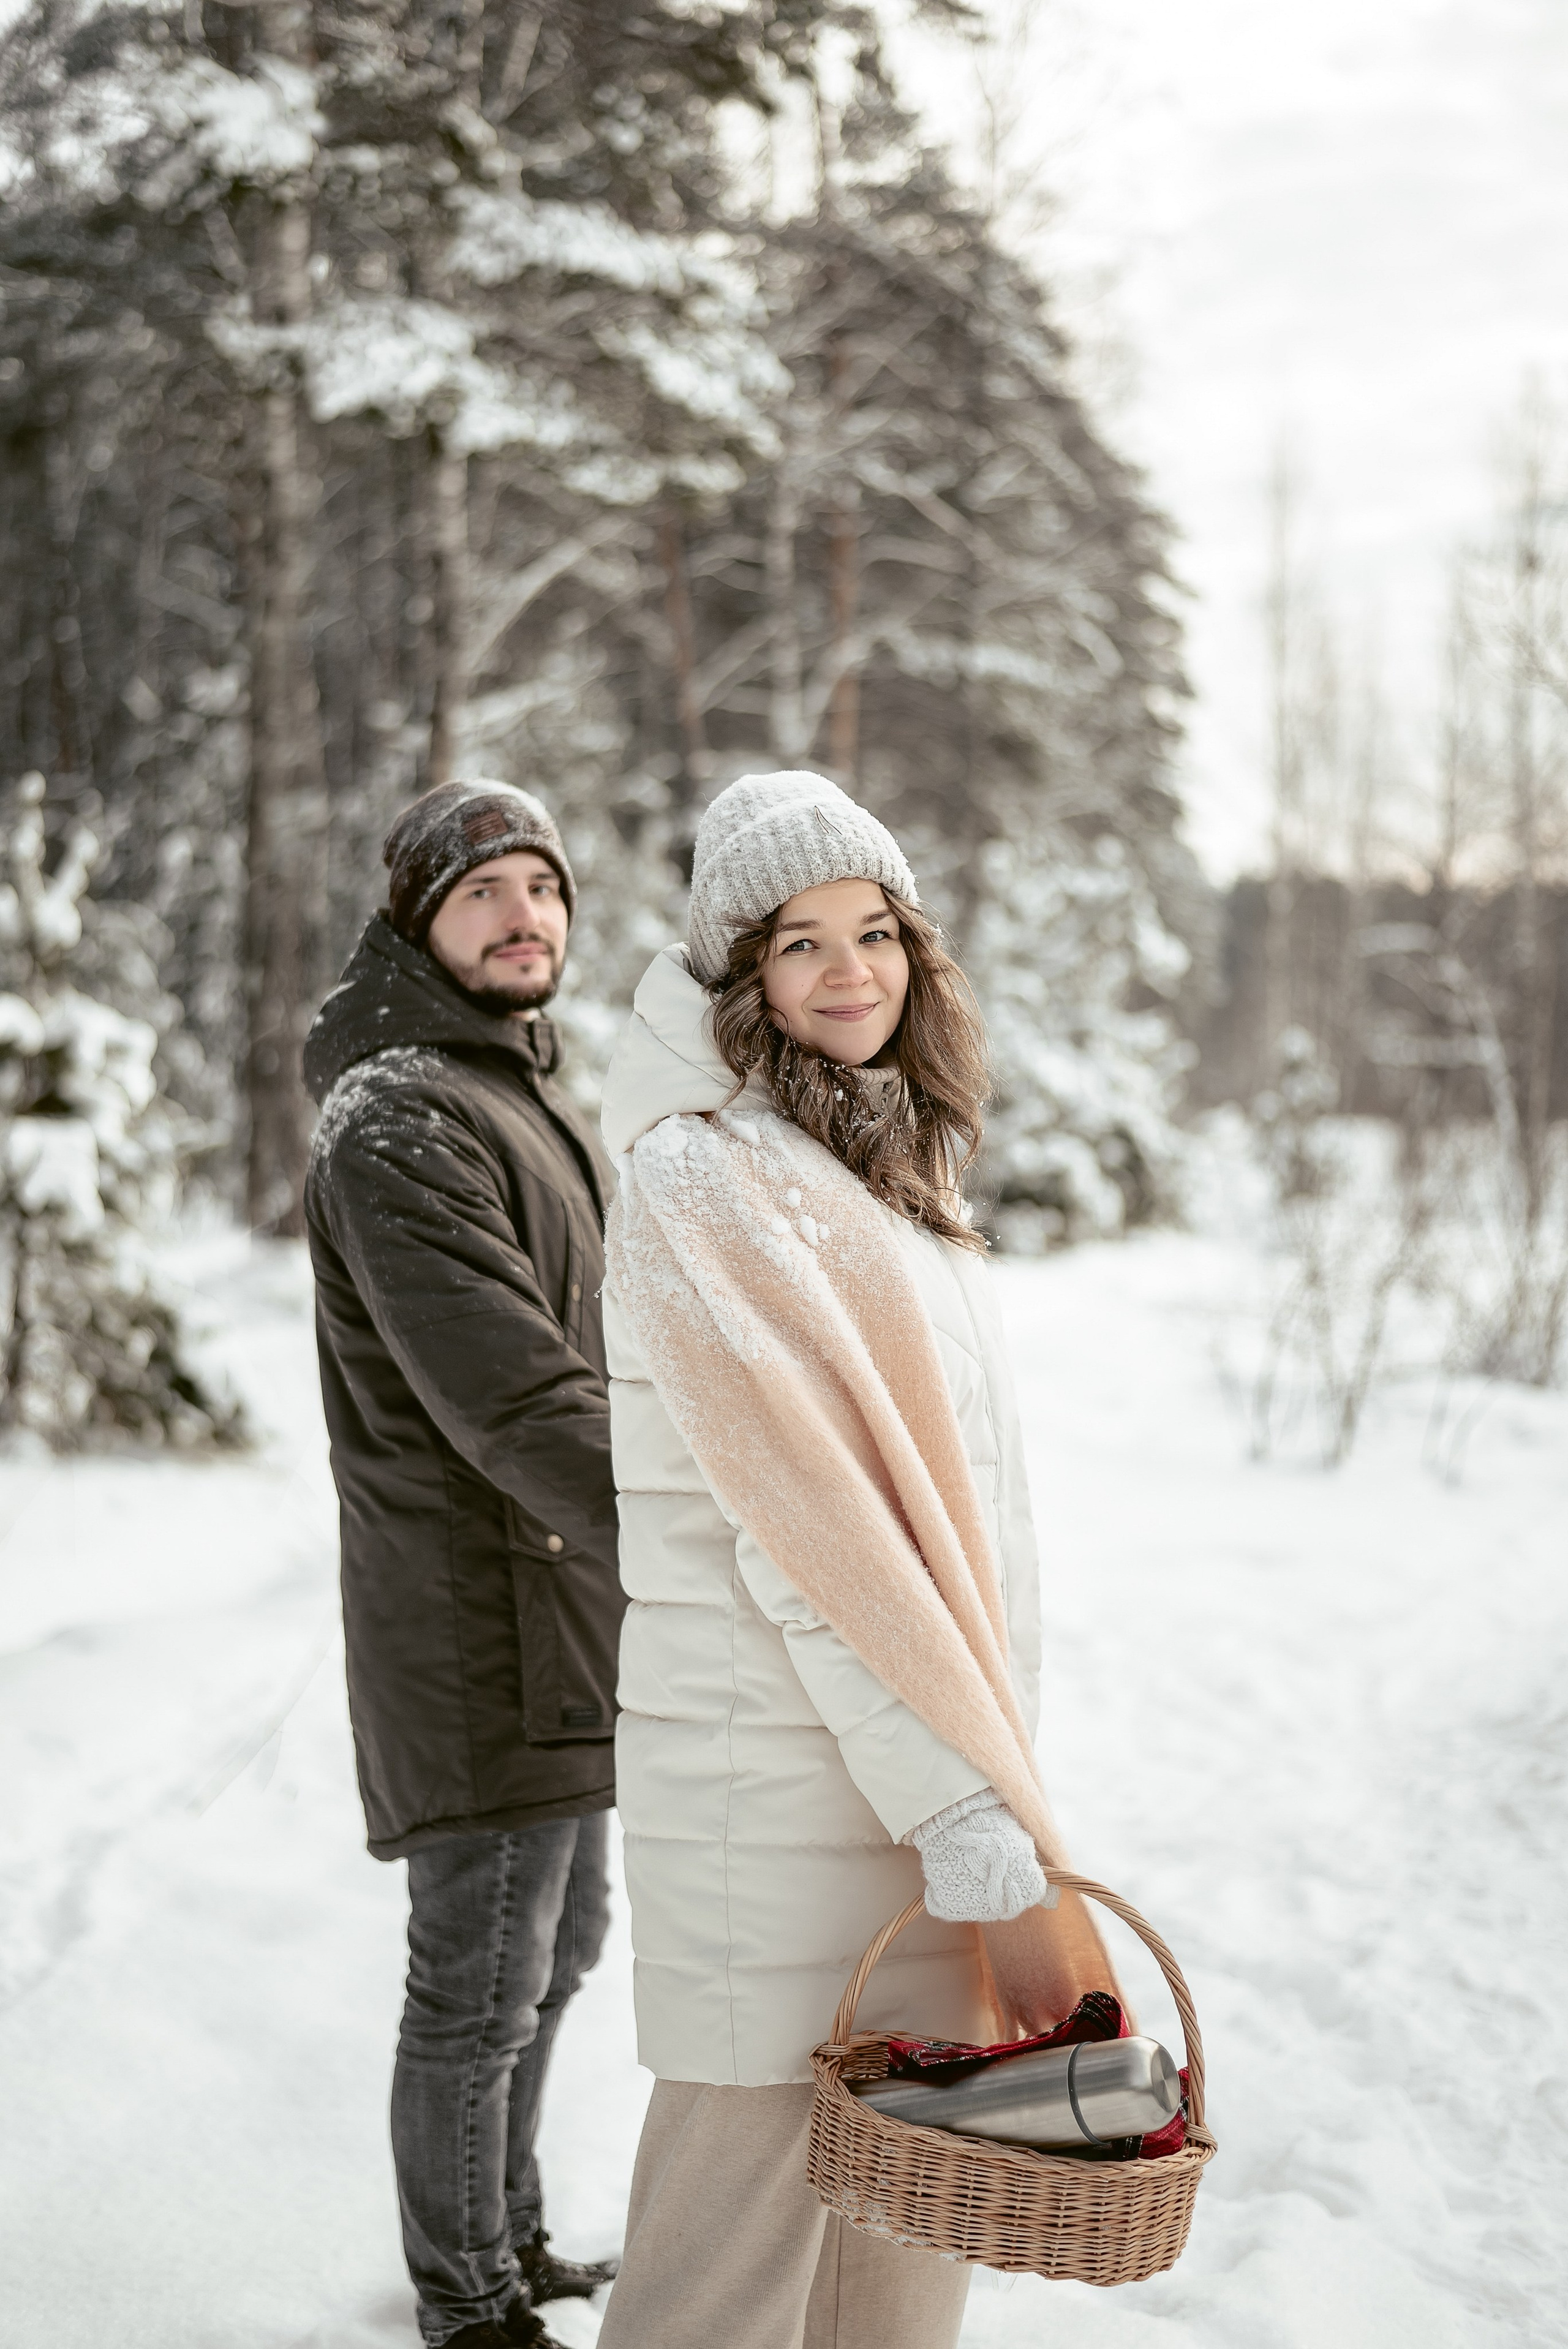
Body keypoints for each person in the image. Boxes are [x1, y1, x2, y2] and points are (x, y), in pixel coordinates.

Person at [594, 770, 1120, 2349]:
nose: (848, 973)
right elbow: (801, 1531)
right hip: (780, 1799)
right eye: (799, 942)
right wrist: (952, 1795)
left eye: (874, 931)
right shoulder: (702, 1177)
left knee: (894, 2255)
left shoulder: (888, 1173)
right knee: (727, 2279)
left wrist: (956, 1785)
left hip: (899, 1798)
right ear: (736, 976)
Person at [304, 780, 625, 2349]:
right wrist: (695, 1520)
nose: (525, 916)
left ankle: (510, 2238)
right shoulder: (399, 1113)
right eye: (485, 891)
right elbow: (508, 1387)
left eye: (542, 887)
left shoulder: (514, 1094)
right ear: (420, 923)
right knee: (479, 1981)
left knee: (555, 1955)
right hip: (474, 1618)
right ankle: (467, 2305)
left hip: (560, 1602)